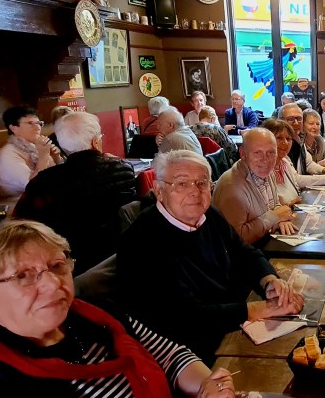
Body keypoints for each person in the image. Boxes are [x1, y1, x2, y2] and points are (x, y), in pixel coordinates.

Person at [0, 220, 238, 398]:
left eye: (57, 266)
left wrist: (214, 389)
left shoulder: (94, 314)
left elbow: (171, 356)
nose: (53, 284)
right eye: (22, 276)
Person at [118, 150, 303, 360]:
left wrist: (269, 281)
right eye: (182, 183)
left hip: (235, 325)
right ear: (159, 191)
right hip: (191, 353)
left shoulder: (209, 215)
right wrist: (260, 309)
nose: (195, 192)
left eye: (202, 183)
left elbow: (245, 253)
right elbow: (185, 317)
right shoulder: (140, 242)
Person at [13, 112, 136, 274]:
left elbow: (19, 225)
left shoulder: (45, 181)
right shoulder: (124, 169)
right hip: (121, 258)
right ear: (96, 141)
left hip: (70, 265)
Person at [213, 128, 299, 244]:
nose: (265, 160)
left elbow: (275, 206)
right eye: (257, 152)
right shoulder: (231, 188)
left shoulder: (266, 172)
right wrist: (275, 217)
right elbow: (235, 240)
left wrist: (281, 220)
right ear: (243, 154)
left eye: (271, 152)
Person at [262, 118, 325, 206]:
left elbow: (297, 178)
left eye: (288, 139)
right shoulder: (262, 169)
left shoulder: (285, 160)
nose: (285, 143)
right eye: (279, 138)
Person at [0, 106, 64, 199]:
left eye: (39, 123)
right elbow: (33, 186)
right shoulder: (7, 154)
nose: (38, 128)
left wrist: (56, 158)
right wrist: (43, 156)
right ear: (13, 128)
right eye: (30, 123)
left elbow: (57, 178)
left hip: (43, 197)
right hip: (15, 202)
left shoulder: (36, 146)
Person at [279, 104, 325, 176]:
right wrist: (319, 166)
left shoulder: (319, 140)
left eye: (317, 124)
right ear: (302, 126)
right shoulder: (296, 143)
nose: (315, 127)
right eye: (311, 123)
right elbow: (297, 174)